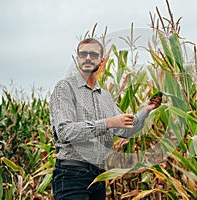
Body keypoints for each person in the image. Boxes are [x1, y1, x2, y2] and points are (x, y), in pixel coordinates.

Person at [49, 38, 162, 200]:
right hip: (72, 174)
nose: (88, 58)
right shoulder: (65, 88)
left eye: (93, 54)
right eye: (83, 54)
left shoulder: (105, 97)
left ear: (102, 61)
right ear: (77, 58)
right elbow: (64, 132)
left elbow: (124, 128)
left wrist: (145, 110)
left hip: (98, 177)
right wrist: (108, 123)